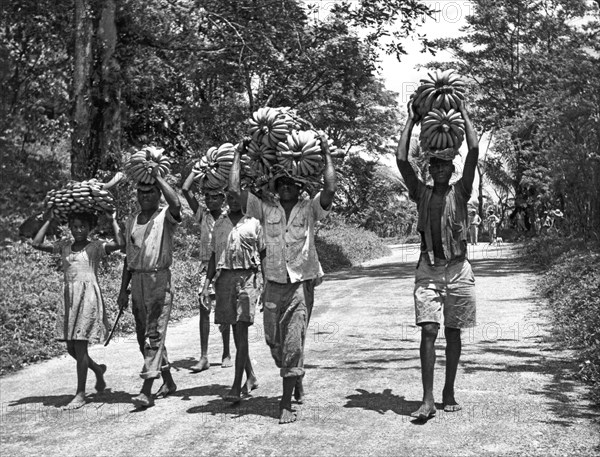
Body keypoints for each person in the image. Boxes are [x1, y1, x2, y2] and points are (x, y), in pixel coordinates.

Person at [229, 133, 336, 424]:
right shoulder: (265, 210)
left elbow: (330, 188)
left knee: (293, 342)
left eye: (292, 183)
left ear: (299, 187)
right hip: (273, 285)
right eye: (282, 184)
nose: (287, 187)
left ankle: (285, 402)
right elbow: (234, 190)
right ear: (276, 188)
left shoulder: (309, 209)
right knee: (273, 342)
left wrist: (326, 152)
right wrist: (239, 155)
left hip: (300, 285)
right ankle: (295, 375)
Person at [396, 100, 479, 420]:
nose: (440, 169)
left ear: (452, 168)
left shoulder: (462, 191)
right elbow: (402, 159)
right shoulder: (421, 193)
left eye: (445, 165)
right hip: (428, 269)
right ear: (429, 169)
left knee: (454, 332)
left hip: (458, 269)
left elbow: (472, 152)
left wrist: (464, 111)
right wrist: (410, 120)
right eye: (435, 165)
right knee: (429, 330)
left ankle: (448, 390)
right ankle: (428, 398)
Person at [32, 208, 125, 409]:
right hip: (69, 298)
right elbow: (36, 243)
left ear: (90, 228)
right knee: (71, 348)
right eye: (74, 226)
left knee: (80, 346)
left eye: (83, 226)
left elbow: (120, 243)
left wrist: (113, 220)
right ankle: (98, 369)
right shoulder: (65, 246)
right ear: (69, 228)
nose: (78, 230)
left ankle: (80, 394)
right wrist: (48, 221)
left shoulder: (95, 247)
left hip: (88, 298)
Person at [117, 165, 181, 409]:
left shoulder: (165, 216)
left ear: (158, 195)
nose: (145, 197)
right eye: (141, 193)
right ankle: (168, 381)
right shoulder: (132, 220)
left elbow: (177, 204)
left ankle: (146, 390)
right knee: (142, 334)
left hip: (159, 280)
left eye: (150, 192)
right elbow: (128, 257)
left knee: (153, 334)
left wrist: (157, 177)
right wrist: (123, 290)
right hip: (138, 281)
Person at [200, 192, 264, 403]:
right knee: (237, 331)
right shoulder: (220, 224)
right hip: (224, 279)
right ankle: (251, 376)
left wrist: (266, 283)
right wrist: (206, 286)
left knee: (242, 329)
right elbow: (212, 256)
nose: (235, 201)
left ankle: (236, 385)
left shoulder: (254, 223)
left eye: (239, 197)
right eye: (231, 197)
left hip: (247, 278)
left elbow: (263, 254)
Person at [181, 172, 232, 372]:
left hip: (225, 265)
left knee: (225, 311)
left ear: (223, 198)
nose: (211, 201)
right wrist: (196, 171)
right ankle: (203, 356)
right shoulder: (203, 215)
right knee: (204, 309)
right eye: (208, 197)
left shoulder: (230, 217)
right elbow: (185, 190)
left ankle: (227, 351)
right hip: (205, 265)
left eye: (215, 197)